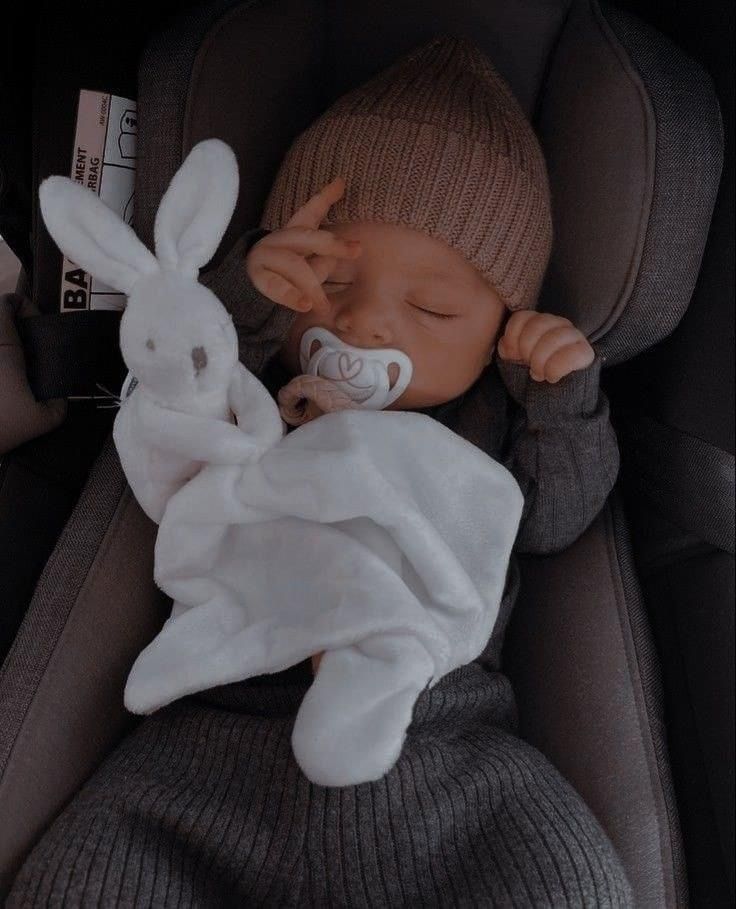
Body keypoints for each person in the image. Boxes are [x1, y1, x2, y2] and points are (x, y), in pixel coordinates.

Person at [8, 34, 631, 906]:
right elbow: (183, 382)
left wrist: (559, 399)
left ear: (499, 327)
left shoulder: (487, 425)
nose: (373, 321)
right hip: (214, 742)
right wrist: (246, 302)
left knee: (570, 879)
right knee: (85, 877)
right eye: (332, 284)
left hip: (442, 755)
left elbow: (556, 518)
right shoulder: (255, 384)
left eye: (432, 307)